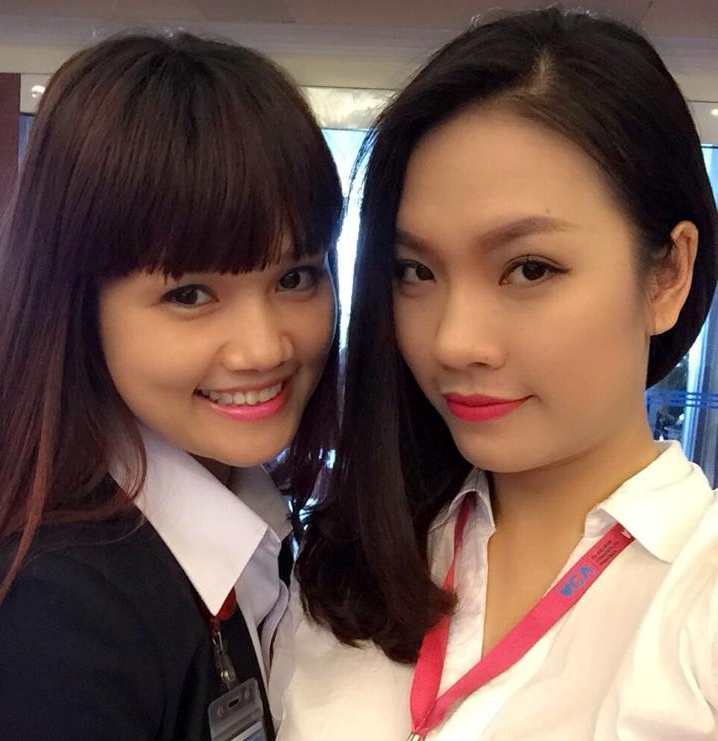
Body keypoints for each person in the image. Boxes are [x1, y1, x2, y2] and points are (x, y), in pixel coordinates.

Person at [277, 8, 718, 740]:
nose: (454, 341)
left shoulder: (698, 603)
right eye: (415, 271)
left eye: (530, 268)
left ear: (667, 274)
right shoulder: (345, 568)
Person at [0, 31, 342, 741]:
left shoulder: (250, 515)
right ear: (79, 306)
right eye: (190, 294)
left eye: (296, 276)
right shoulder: (58, 617)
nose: (265, 348)